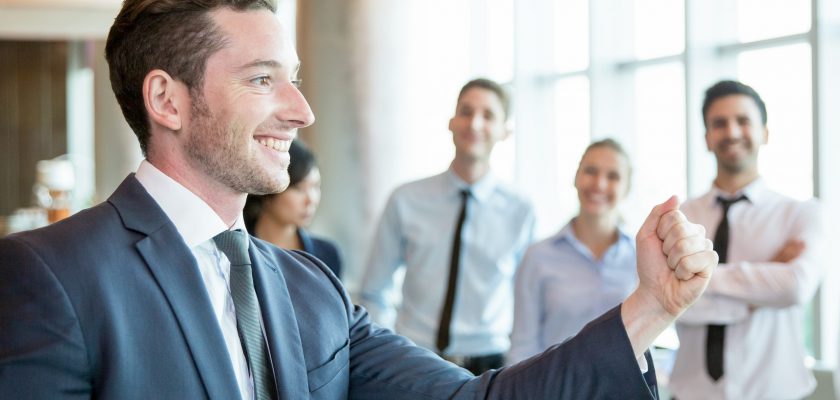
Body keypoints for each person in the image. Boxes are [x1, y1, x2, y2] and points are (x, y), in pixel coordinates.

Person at [0, 0, 718, 398]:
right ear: (168, 99)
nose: (301, 109)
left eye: (296, 77)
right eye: (261, 80)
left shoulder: (311, 290)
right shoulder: (48, 274)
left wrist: (650, 307)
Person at [359, 78, 535, 374]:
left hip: (491, 367)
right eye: (466, 112)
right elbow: (374, 291)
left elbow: (527, 301)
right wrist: (388, 354)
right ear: (452, 122)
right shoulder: (406, 199)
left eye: (488, 115)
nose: (474, 123)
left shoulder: (521, 210)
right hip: (413, 359)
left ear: (505, 131)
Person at [669, 80, 825, 400]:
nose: (732, 132)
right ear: (707, 139)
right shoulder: (679, 218)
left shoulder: (801, 214)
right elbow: (675, 306)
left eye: (743, 121)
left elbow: (795, 286)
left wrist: (698, 283)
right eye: (719, 123)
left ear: (764, 132)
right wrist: (766, 276)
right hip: (691, 393)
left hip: (777, 392)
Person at [508, 138, 638, 364]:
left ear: (626, 189)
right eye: (591, 171)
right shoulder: (538, 257)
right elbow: (523, 346)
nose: (599, 184)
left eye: (613, 176)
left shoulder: (642, 258)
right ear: (576, 177)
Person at [244, 139, 342, 279]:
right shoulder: (238, 250)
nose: (311, 200)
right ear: (268, 190)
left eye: (315, 186)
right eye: (298, 188)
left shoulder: (327, 255)